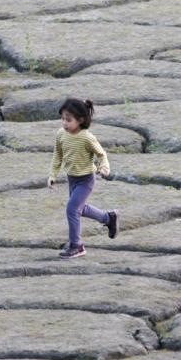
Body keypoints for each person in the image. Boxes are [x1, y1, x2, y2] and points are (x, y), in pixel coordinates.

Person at [48, 98, 119, 259]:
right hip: (72, 178)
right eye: (63, 119)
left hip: (86, 179)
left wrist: (104, 167)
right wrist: (53, 175)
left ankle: (77, 246)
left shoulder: (87, 138)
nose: (64, 123)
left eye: (68, 120)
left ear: (80, 120)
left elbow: (101, 154)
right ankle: (109, 218)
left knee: (72, 209)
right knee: (80, 208)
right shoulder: (61, 134)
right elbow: (57, 155)